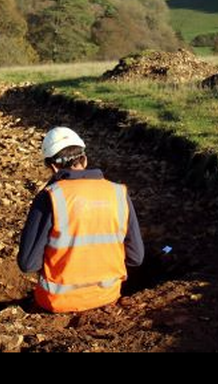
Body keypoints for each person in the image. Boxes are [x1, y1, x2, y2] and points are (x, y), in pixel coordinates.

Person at [17, 126, 144, 312]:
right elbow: (136, 258)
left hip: (56, 303)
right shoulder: (118, 193)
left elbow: (28, 264)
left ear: (52, 166)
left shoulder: (49, 197)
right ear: (84, 159)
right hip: (107, 297)